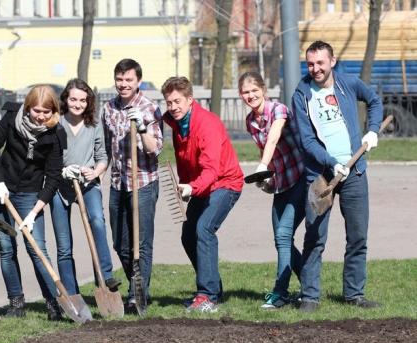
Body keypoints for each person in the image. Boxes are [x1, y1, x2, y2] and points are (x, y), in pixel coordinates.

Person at [292, 40, 383, 313]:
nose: (315, 69)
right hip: (320, 177)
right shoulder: (302, 93)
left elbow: (375, 101)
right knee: (315, 237)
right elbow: (307, 141)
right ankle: (309, 297)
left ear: (332, 61)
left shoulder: (348, 83)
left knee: (357, 236)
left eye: (320, 62)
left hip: (355, 171)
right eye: (310, 63)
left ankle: (354, 294)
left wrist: (373, 131)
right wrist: (332, 163)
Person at [161, 76, 244, 313]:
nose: (173, 107)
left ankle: (206, 295)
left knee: (204, 229)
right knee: (188, 236)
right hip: (200, 185)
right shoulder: (176, 122)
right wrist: (187, 185)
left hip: (225, 183)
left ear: (190, 99)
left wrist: (192, 187)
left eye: (177, 101)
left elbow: (211, 168)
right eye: (169, 102)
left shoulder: (207, 124)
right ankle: (214, 290)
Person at [0, 84, 66, 321]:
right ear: (28, 107)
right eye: (36, 111)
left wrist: (34, 212)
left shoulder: (55, 133)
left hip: (31, 196)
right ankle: (16, 302)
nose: (41, 116)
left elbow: (53, 176)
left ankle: (53, 303)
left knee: (37, 249)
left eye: (46, 112)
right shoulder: (12, 118)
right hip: (1, 192)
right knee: (6, 249)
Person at [101, 58, 164, 312]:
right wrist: (98, 170)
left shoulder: (150, 108)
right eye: (119, 79)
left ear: (139, 81)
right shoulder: (108, 108)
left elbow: (155, 149)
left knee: (142, 243)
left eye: (129, 80)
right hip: (118, 182)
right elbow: (106, 148)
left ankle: (138, 295)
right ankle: (135, 283)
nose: (123, 84)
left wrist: (142, 128)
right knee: (120, 242)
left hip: (144, 182)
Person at [239, 71, 305, 310]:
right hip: (281, 183)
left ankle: (280, 294)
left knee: (283, 236)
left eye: (254, 90)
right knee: (281, 239)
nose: (251, 95)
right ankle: (309, 287)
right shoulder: (250, 121)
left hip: (301, 178)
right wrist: (265, 177)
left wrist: (262, 166)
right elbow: (263, 148)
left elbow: (273, 139)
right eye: (245, 92)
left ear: (263, 90)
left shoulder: (278, 110)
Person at [50, 78, 122, 295]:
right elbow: (47, 157)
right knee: (63, 243)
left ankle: (106, 276)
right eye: (73, 99)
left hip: (88, 184)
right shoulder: (56, 124)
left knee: (97, 221)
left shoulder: (93, 125)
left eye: (82, 100)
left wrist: (96, 171)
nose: (78, 104)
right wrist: (61, 170)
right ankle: (72, 293)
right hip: (60, 187)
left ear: (88, 102)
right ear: (66, 99)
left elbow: (102, 156)